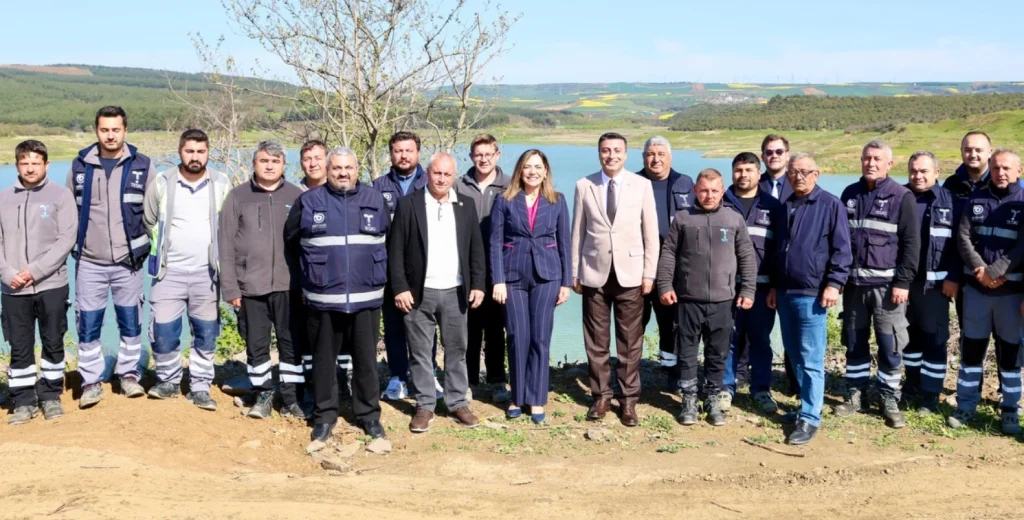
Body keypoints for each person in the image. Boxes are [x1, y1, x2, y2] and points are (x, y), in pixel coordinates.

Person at [285, 146, 388, 442]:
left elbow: (387, 240)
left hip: (366, 298)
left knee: (366, 362)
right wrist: (305, 282)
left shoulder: (374, 199)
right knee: (323, 361)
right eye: (337, 168)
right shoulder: (308, 201)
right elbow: (291, 243)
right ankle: (324, 416)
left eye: (348, 168)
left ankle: (369, 416)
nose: (343, 173)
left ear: (357, 170)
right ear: (327, 170)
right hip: (322, 298)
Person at [388, 152, 486, 433]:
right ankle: (425, 406)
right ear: (427, 173)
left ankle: (456, 403)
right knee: (419, 352)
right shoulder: (409, 204)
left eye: (447, 174)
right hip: (419, 293)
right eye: (437, 173)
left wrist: (478, 284)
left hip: (456, 291)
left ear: (453, 176)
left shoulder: (465, 205)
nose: (441, 179)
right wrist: (400, 288)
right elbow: (394, 251)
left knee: (457, 349)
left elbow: (475, 250)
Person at [67, 106, 156, 408]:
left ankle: (129, 376)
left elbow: (155, 213)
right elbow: (68, 213)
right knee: (88, 323)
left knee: (130, 322)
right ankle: (91, 381)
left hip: (128, 263)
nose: (110, 135)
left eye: (115, 129)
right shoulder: (80, 166)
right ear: (97, 131)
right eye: (104, 129)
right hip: (89, 262)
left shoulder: (143, 165)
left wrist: (145, 251)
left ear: (125, 130)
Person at [571, 132, 659, 427]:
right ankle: (601, 396)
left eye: (617, 150)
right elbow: (577, 232)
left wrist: (649, 273)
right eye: (606, 150)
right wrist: (575, 271)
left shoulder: (642, 185)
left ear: (626, 154)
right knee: (596, 341)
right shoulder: (584, 185)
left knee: (629, 341)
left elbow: (650, 234)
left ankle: (629, 399)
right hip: (594, 273)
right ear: (599, 153)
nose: (611, 155)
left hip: (631, 274)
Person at [657, 169, 756, 427]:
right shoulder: (683, 219)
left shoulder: (733, 219)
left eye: (714, 191)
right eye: (703, 190)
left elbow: (746, 256)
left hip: (724, 301)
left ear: (722, 191)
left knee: (717, 353)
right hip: (688, 299)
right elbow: (668, 254)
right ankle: (688, 400)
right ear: (694, 191)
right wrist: (665, 285)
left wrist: (748, 290)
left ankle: (712, 399)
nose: (709, 195)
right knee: (687, 353)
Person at [142, 129, 231, 410]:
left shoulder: (220, 183)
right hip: (169, 272)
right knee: (164, 329)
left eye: (201, 151)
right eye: (189, 151)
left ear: (207, 153)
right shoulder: (163, 182)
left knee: (205, 331)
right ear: (180, 151)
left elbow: (228, 225)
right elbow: (149, 219)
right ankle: (168, 381)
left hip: (207, 273)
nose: (195, 157)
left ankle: (200, 386)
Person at [834, 140, 920, 429]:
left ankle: (888, 396)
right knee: (854, 340)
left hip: (887, 288)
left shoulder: (902, 196)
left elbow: (911, 244)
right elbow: (840, 239)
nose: (871, 163)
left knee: (890, 343)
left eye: (877, 159)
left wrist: (903, 281)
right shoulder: (849, 194)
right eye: (866, 157)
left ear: (889, 164)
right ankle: (855, 393)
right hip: (854, 286)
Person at [219, 141, 305, 419]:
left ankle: (291, 397)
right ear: (254, 164)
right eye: (264, 160)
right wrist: (231, 286)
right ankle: (263, 394)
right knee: (256, 345)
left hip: (289, 286)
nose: (269, 165)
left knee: (291, 343)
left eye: (275, 161)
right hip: (250, 287)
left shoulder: (297, 195)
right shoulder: (237, 196)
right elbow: (226, 244)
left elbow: (307, 244)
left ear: (284, 165)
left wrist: (306, 285)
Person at [771, 153, 851, 445]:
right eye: (794, 172)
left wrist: (834, 284)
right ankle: (807, 406)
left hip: (813, 294)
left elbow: (842, 249)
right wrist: (773, 287)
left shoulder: (830, 204)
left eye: (805, 172)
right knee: (794, 355)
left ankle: (810, 418)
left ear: (817, 174)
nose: (799, 177)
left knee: (811, 357)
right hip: (785, 292)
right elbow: (778, 249)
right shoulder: (785, 206)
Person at [489, 149, 572, 423]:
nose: (532, 171)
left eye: (538, 166)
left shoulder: (557, 201)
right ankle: (517, 396)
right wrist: (498, 280)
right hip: (512, 276)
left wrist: (566, 283)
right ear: (519, 171)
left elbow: (565, 243)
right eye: (527, 167)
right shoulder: (504, 200)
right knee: (516, 336)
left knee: (540, 338)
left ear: (546, 171)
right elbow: (495, 242)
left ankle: (536, 399)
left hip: (548, 276)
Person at [1, 141, 78, 424]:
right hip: (12, 288)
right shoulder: (3, 197)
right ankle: (22, 400)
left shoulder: (61, 196)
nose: (30, 167)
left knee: (53, 341)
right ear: (17, 164)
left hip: (51, 284)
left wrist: (33, 271)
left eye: (36, 161)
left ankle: (49, 396)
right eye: (24, 162)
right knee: (19, 344)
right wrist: (8, 274)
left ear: (47, 164)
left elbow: (66, 240)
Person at [949, 149, 1024, 435]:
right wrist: (981, 269)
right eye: (995, 168)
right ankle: (966, 405)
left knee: (1010, 355)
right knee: (971, 352)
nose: (1000, 173)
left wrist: (996, 271)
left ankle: (1009, 411)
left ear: (1019, 170)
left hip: (1011, 293)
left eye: (1006, 168)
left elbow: (1022, 246)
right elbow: (964, 237)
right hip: (977, 291)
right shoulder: (976, 199)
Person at [372, 131, 441, 401]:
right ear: (391, 154)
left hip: (426, 270)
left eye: (408, 150)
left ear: (418, 153)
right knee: (394, 328)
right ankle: (397, 377)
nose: (403, 155)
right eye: (398, 151)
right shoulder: (378, 187)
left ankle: (428, 375)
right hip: (390, 271)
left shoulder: (431, 183)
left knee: (427, 327)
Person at [721, 153, 784, 414]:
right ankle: (725, 388)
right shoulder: (720, 203)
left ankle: (761, 389)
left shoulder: (774, 206)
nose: (743, 175)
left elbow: (780, 250)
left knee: (760, 339)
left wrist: (775, 286)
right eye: (738, 170)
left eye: (749, 170)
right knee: (727, 339)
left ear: (759, 174)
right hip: (725, 287)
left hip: (761, 289)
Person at [902, 151, 960, 415]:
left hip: (935, 286)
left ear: (937, 173)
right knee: (908, 338)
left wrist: (953, 277)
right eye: (914, 170)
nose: (918, 175)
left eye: (924, 171)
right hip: (903, 284)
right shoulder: (899, 197)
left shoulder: (952, 202)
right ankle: (912, 385)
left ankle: (930, 395)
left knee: (935, 339)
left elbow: (961, 245)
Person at [455, 133, 511, 402]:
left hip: (499, 268)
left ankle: (498, 379)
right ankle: (469, 379)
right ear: (471, 157)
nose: (484, 159)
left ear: (497, 155)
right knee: (469, 327)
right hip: (466, 268)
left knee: (496, 326)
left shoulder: (510, 185)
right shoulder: (458, 185)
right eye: (479, 155)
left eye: (489, 154)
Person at [636, 135, 693, 388]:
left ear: (670, 156)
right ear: (643, 157)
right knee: (634, 322)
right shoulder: (632, 182)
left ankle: (671, 372)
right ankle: (630, 372)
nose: (655, 159)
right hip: (637, 268)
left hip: (673, 268)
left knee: (671, 323)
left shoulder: (686, 183)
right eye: (650, 154)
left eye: (661, 154)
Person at [298, 139, 351, 386]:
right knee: (311, 338)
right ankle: (312, 384)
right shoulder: (295, 194)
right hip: (312, 284)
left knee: (345, 338)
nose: (313, 163)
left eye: (318, 158)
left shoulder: (347, 192)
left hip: (344, 284)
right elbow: (291, 241)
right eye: (307, 159)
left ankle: (343, 381)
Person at [758, 133, 798, 392]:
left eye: (779, 151)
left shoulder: (799, 184)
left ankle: (795, 382)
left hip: (791, 271)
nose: (774, 156)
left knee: (793, 332)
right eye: (769, 152)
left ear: (787, 155)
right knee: (755, 331)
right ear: (763, 157)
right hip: (760, 271)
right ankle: (750, 378)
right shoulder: (751, 184)